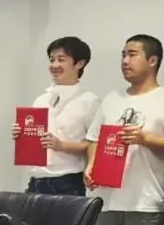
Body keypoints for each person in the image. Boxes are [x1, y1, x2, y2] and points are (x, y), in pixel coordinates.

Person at [84, 35, 164, 225]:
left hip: (146, 206)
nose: (125, 60)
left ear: (153, 60)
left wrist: (145, 138)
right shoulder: (111, 99)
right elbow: (93, 140)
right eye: (123, 55)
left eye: (132, 54)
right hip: (107, 204)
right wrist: (91, 165)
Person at [12, 37, 100, 196]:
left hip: (67, 183)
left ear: (80, 63)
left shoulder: (90, 101)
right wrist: (22, 135)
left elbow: (95, 145)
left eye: (61, 59)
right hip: (35, 181)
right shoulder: (41, 100)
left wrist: (61, 145)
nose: (54, 65)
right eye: (52, 60)